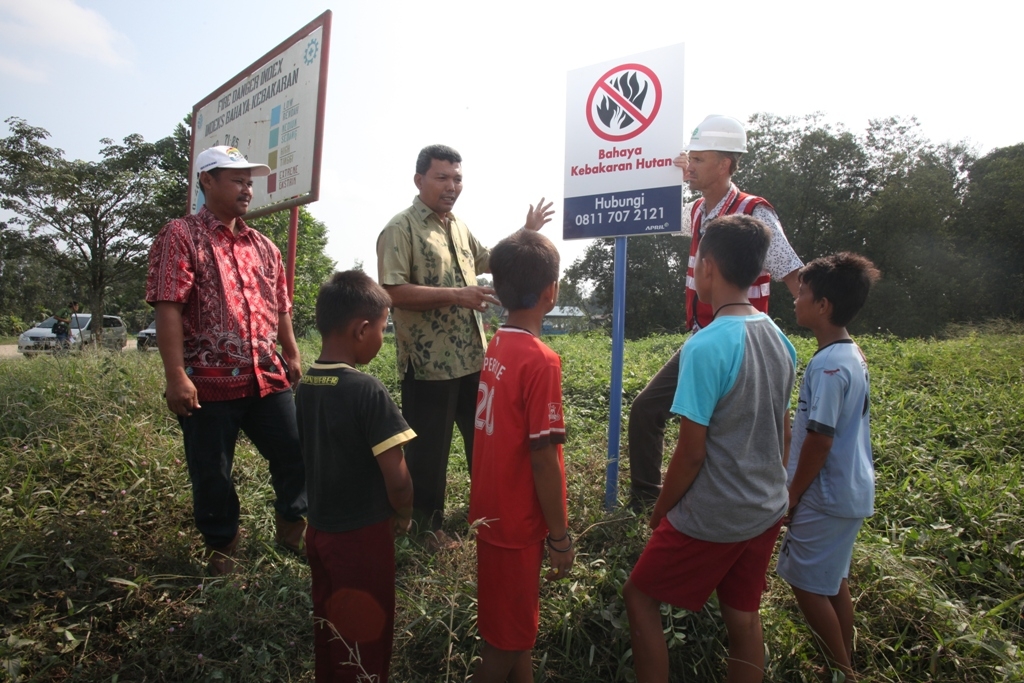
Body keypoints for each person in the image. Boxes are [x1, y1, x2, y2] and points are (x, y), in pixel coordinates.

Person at [623, 214, 796, 683]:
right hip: (767, 506)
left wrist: (660, 511)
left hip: (715, 513)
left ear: (708, 268)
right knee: (742, 616)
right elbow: (783, 431)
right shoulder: (780, 338)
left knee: (639, 596)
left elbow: (691, 453)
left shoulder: (705, 346)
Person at [376, 144, 553, 547]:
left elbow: (488, 259)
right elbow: (392, 291)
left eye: (457, 178)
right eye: (442, 177)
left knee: (485, 443)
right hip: (429, 365)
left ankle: (491, 509)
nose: (451, 186)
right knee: (430, 454)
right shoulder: (400, 229)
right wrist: (458, 295)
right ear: (419, 180)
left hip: (473, 359)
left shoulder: (456, 225)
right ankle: (426, 528)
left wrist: (525, 233)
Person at [627, 114, 804, 509]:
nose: (691, 166)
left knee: (726, 430)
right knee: (646, 408)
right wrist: (672, 171)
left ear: (725, 164)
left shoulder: (753, 212)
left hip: (743, 342)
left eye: (700, 160)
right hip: (701, 338)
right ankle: (644, 499)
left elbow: (791, 272)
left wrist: (831, 330)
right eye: (691, 158)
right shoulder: (697, 212)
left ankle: (746, 503)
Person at [146, 145, 307, 576]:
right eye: (236, 179)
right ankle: (224, 547)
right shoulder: (181, 235)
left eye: (249, 181)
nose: (246, 189)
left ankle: (292, 527)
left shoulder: (263, 246)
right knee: (212, 471)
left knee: (294, 451)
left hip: (265, 376)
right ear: (206, 181)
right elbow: (168, 308)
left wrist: (290, 351)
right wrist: (176, 374)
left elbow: (281, 304)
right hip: (207, 383)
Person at [296, 270, 416, 683]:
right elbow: (397, 477)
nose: (383, 338)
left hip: (320, 532)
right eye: (384, 328)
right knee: (365, 637)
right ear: (361, 329)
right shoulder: (366, 390)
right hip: (362, 539)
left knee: (329, 627)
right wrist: (403, 512)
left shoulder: (307, 382)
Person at [468, 229, 574, 683]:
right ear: (551, 293)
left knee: (513, 627)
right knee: (507, 641)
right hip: (518, 523)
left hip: (491, 512)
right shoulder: (541, 360)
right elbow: (543, 457)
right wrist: (561, 535)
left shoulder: (496, 343)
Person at [777, 253, 880, 681]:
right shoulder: (850, 353)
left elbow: (819, 440)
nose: (795, 299)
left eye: (802, 292)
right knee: (833, 580)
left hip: (826, 492)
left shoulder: (829, 364)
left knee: (804, 582)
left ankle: (841, 672)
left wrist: (793, 494)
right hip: (850, 490)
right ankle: (844, 662)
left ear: (823, 305)